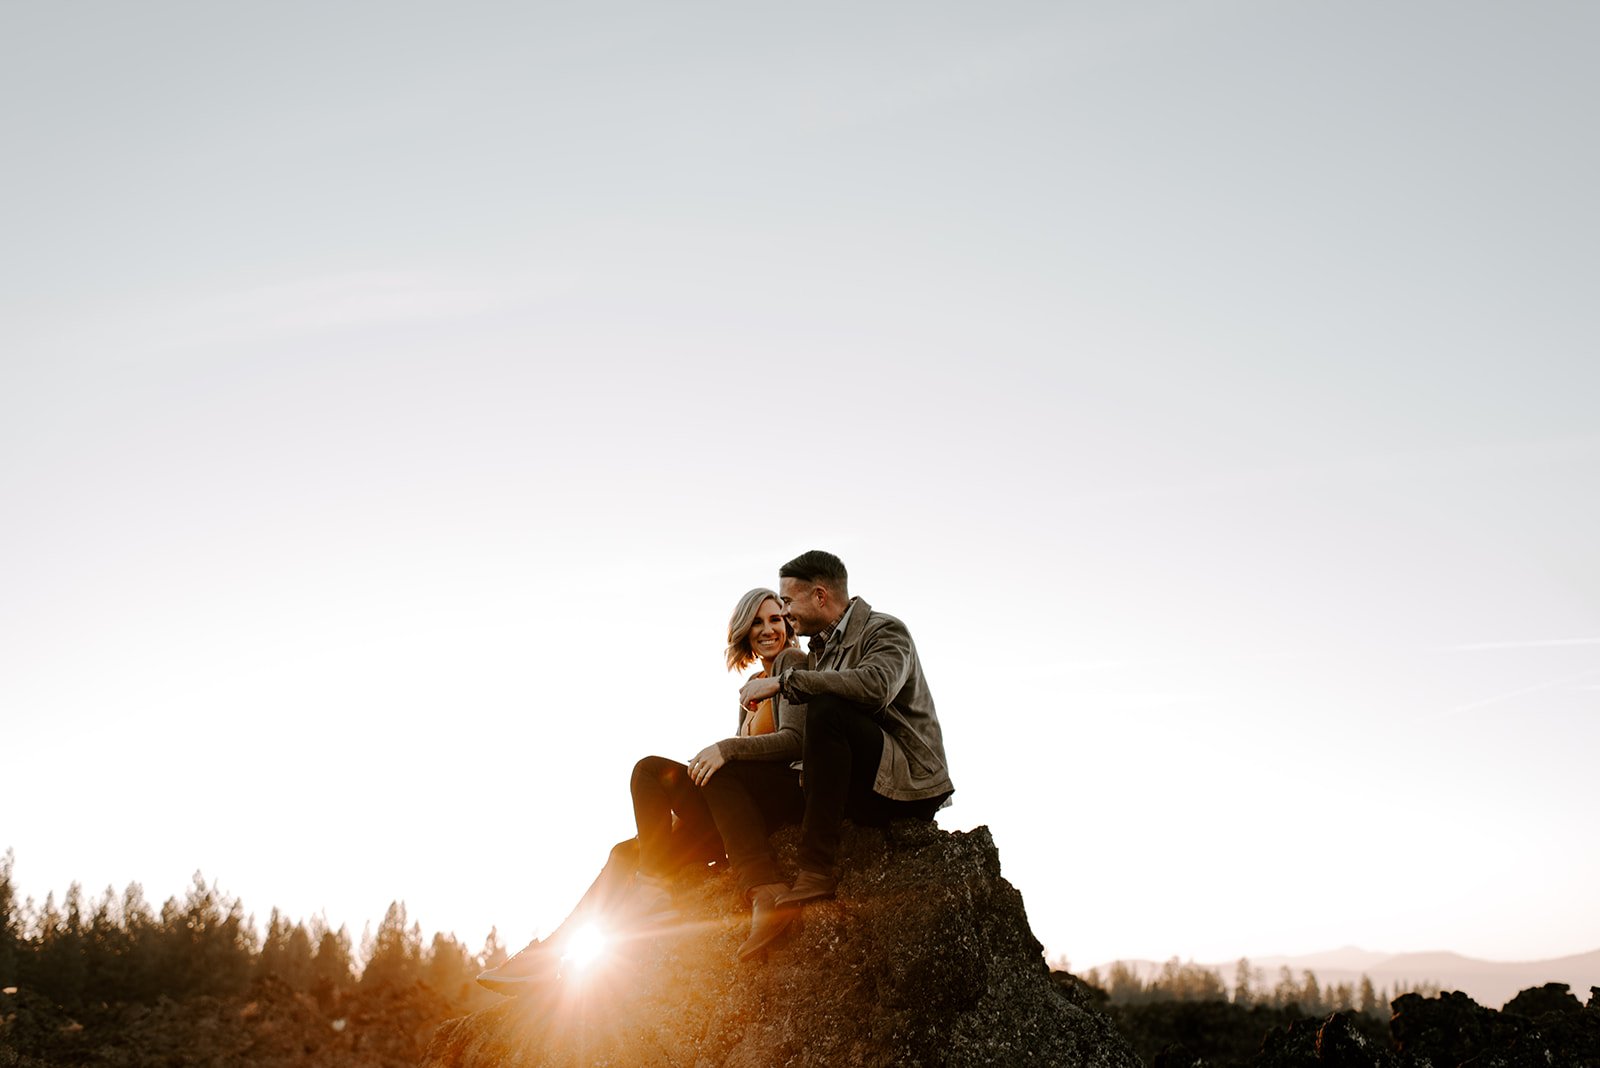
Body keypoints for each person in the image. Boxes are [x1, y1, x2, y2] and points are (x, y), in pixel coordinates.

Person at [476, 587, 805, 994]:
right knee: (624, 852)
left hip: (773, 801)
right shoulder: (753, 683)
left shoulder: (793, 665)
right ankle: (547, 959)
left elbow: (795, 741)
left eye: (775, 619)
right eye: (757, 621)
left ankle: (654, 893)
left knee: (649, 771)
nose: (768, 629)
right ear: (743, 630)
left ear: (789, 625)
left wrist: (726, 748)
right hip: (734, 805)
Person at [734, 550, 953, 956]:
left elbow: (876, 687)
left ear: (820, 596)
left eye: (787, 602)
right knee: (734, 772)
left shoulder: (886, 631)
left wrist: (785, 683)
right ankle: (762, 889)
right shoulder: (821, 651)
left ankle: (815, 871)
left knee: (827, 703)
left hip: (907, 779)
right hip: (860, 780)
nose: (784, 612)